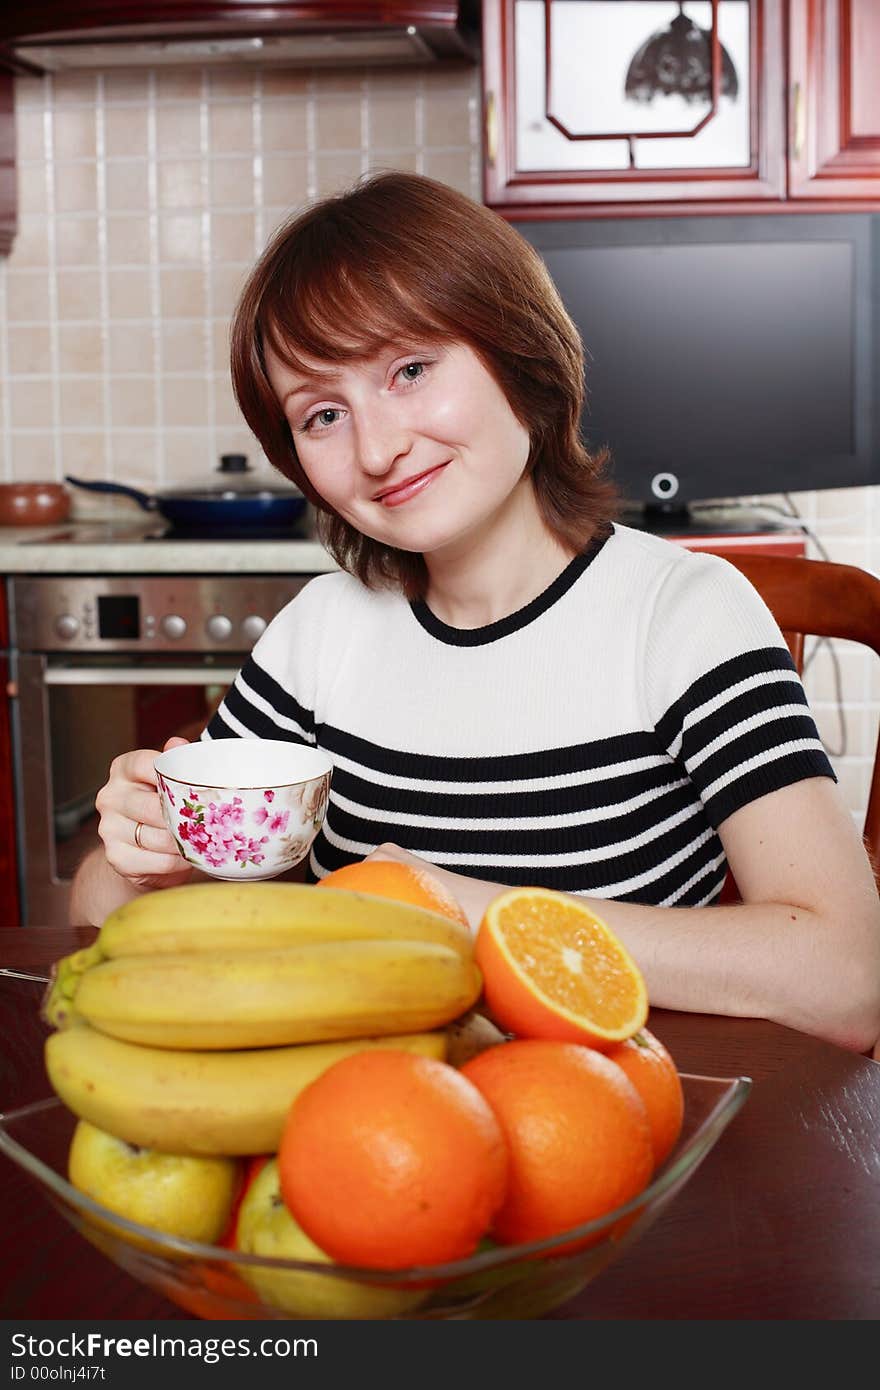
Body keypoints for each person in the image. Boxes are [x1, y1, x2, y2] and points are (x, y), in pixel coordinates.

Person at [70, 171, 880, 1055]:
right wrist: (142, 858)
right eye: (324, 413)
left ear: (517, 350)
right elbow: (95, 922)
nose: (378, 450)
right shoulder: (319, 633)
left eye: (410, 370)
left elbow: (847, 977)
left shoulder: (683, 616)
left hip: (612, 1128)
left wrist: (456, 907)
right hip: (370, 1131)